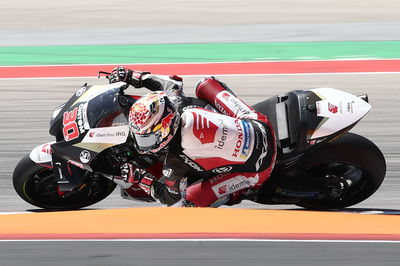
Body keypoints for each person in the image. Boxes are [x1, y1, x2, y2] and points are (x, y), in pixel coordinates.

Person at [109, 66, 277, 207]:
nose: (145, 145)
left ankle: (240, 191)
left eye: (149, 138)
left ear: (165, 127)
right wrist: (132, 76)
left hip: (257, 169)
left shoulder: (174, 164)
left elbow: (170, 199)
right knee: (205, 83)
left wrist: (140, 178)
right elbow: (172, 83)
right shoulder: (175, 102)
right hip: (258, 122)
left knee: (187, 204)